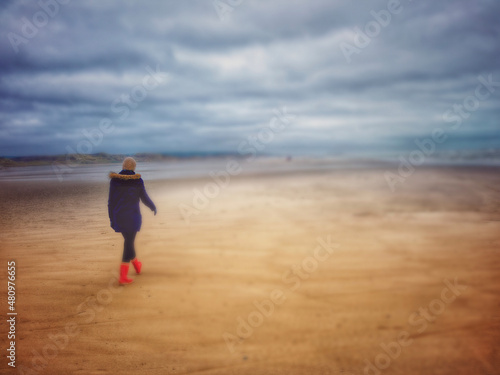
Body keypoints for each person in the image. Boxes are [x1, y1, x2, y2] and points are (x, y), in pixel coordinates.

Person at [108, 157, 157, 285]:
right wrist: (152, 206)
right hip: (133, 217)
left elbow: (110, 202)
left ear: (123, 166)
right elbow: (144, 198)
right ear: (134, 167)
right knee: (129, 242)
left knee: (129, 241)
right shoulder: (137, 181)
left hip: (119, 216)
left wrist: (111, 218)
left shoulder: (114, 181)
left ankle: (136, 264)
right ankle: (123, 276)